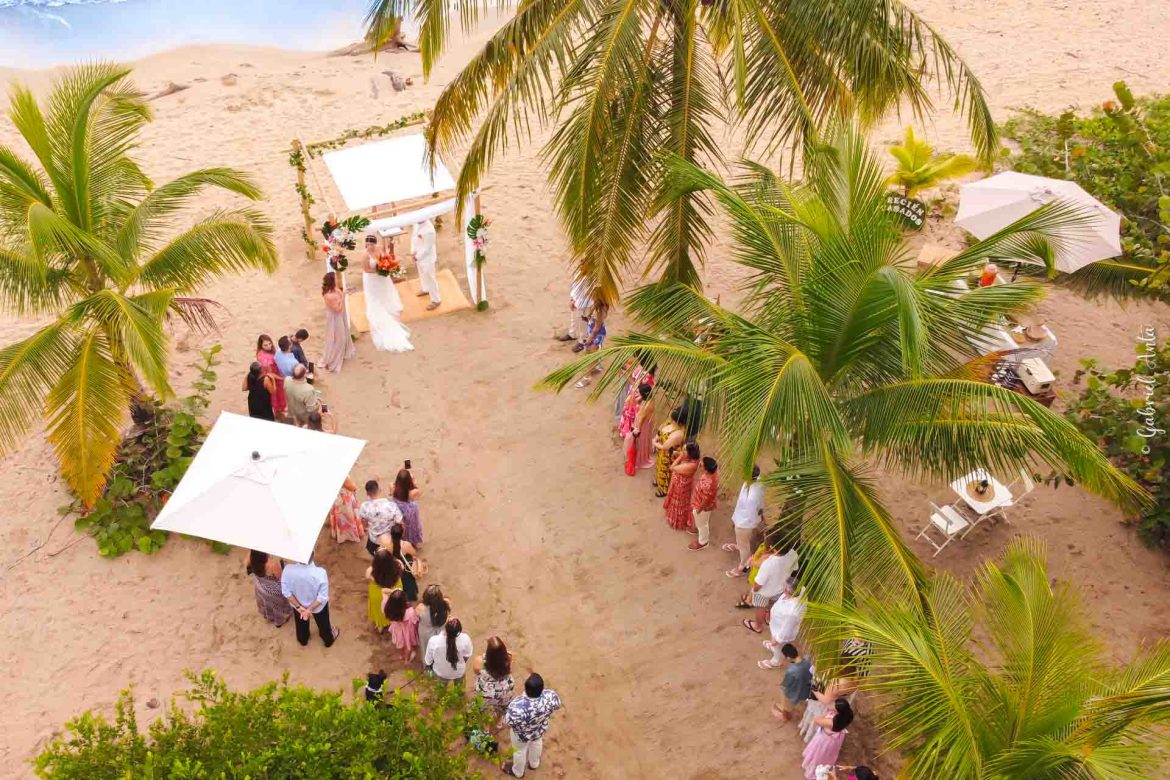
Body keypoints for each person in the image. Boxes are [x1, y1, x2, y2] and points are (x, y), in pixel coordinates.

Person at [501, 673, 562, 778]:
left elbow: (507, 721)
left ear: (526, 688)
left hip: (521, 735)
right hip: (539, 729)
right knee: (537, 742)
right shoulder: (550, 696)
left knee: (520, 751)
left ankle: (518, 772)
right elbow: (557, 705)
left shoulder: (516, 705)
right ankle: (534, 764)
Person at [362, 235, 414, 352]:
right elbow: (366, 269)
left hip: (382, 276)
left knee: (386, 291)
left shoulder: (380, 248)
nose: (369, 247)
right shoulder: (365, 255)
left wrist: (386, 267)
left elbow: (385, 258)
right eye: (368, 245)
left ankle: (388, 304)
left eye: (371, 244)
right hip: (371, 278)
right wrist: (379, 270)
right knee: (374, 297)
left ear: (375, 244)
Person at [742, 537, 798, 633]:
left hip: (764, 592)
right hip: (781, 589)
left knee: (760, 607)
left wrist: (754, 590)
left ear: (773, 547)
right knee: (773, 605)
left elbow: (758, 584)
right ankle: (769, 619)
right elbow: (795, 569)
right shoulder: (793, 554)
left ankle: (758, 626)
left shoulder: (768, 563)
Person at [280, 555, 339, 647]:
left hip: (298, 605)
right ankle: (328, 640)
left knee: (300, 623)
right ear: (313, 554)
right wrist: (309, 609)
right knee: (323, 623)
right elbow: (322, 597)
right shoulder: (320, 573)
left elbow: (286, 592)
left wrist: (299, 607)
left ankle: (303, 639)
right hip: (318, 607)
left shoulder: (287, 570)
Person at [724, 466, 765, 577]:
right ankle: (740, 547)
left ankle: (743, 566)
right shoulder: (759, 481)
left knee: (744, 545)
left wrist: (740, 523)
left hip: (744, 523)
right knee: (742, 542)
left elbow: (751, 515)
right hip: (741, 517)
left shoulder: (751, 496)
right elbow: (760, 504)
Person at [802, 698, 854, 780]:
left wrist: (826, 713)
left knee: (818, 756)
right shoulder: (847, 716)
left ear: (837, 712)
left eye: (834, 705)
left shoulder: (832, 722)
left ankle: (813, 772)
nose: (832, 705)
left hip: (825, 740)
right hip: (834, 740)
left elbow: (817, 720)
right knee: (828, 755)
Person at [760, 587, 807, 668]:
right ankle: (774, 648)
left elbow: (786, 629)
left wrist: (777, 639)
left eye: (786, 588)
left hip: (780, 631)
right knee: (776, 644)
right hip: (777, 625)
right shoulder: (800, 590)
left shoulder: (793, 612)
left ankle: (776, 662)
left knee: (779, 646)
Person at [245, 550, 292, 627]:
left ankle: (269, 615)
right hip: (273, 591)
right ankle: (279, 621)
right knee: (279, 604)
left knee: (268, 602)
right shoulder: (273, 564)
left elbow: (248, 568)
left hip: (260, 585)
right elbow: (280, 578)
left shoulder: (250, 555)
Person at [320, 272, 356, 372]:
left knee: (344, 333)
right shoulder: (328, 296)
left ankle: (343, 351)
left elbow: (340, 294)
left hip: (341, 315)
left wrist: (345, 292)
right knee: (339, 337)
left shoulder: (334, 289)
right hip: (335, 318)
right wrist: (343, 297)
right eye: (335, 279)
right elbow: (338, 309)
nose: (337, 280)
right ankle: (333, 359)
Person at [473, 636, 515, 718]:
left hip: (485, 692)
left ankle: (486, 728)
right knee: (502, 707)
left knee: (484, 710)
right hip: (504, 689)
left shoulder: (479, 660)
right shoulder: (508, 657)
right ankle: (499, 722)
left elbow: (476, 672)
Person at [358, 479, 403, 555]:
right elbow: (400, 522)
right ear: (379, 490)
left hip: (374, 541)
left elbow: (364, 524)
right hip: (390, 539)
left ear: (367, 493)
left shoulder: (364, 507)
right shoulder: (391, 505)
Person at [424, 617, 473, 685]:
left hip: (440, 672)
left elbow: (428, 661)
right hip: (459, 672)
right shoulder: (465, 639)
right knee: (460, 692)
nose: (450, 616)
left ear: (445, 627)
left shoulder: (434, 641)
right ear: (459, 629)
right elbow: (467, 655)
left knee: (441, 693)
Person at [664, 441, 700, 531]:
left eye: (684, 450)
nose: (682, 451)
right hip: (679, 482)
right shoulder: (691, 457)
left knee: (679, 503)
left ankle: (677, 521)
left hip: (681, 486)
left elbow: (672, 468)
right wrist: (680, 454)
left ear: (690, 453)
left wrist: (679, 456)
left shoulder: (692, 465)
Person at [773, 643, 813, 721]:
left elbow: (785, 685)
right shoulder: (807, 660)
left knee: (783, 694)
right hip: (806, 690)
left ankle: (785, 715)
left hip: (794, 694)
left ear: (788, 658)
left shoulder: (791, 671)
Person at [366, 549, 403, 633]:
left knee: (378, 610)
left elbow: (367, 575)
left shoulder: (373, 570)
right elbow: (402, 567)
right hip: (395, 588)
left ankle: (380, 626)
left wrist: (375, 578)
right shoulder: (398, 564)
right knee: (393, 606)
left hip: (378, 593)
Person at [652, 409, 686, 497]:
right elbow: (661, 429)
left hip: (667, 455)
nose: (671, 421)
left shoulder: (678, 434)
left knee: (665, 471)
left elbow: (665, 447)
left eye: (673, 420)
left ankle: (663, 489)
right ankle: (659, 481)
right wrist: (657, 437)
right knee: (659, 466)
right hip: (662, 452)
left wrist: (654, 443)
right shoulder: (670, 423)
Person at [383, 523, 420, 602]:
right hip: (406, 570)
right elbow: (414, 554)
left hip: (394, 568)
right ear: (402, 533)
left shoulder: (387, 545)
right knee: (409, 584)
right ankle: (409, 598)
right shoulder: (406, 545)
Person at [688, 456, 718, 551]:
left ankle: (703, 542)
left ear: (706, 469)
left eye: (702, 463)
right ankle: (698, 527)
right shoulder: (713, 473)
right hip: (701, 503)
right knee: (701, 522)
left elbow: (706, 500)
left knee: (703, 524)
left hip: (702, 506)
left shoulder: (708, 483)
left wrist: (699, 510)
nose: (700, 463)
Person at [411, 219, 441, 310]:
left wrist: (417, 256)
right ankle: (425, 289)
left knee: (430, 277)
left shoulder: (429, 230)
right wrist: (413, 252)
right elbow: (413, 238)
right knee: (422, 274)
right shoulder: (416, 223)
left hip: (427, 258)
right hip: (418, 255)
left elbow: (427, 248)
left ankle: (436, 300)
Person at [383, 587, 420, 663]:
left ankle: (401, 656)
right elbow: (415, 621)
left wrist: (393, 591)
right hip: (407, 632)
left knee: (400, 645)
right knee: (408, 646)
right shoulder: (410, 612)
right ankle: (407, 660)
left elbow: (383, 591)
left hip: (397, 630)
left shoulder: (386, 606)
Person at [255, 335, 287, 417]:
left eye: (270, 344)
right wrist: (280, 378)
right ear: (261, 345)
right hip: (272, 378)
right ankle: (277, 411)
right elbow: (269, 373)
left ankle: (281, 409)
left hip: (277, 373)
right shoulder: (263, 357)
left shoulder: (271, 351)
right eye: (265, 345)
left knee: (280, 393)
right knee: (274, 395)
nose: (269, 346)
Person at [392, 468, 423, 547]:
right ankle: (412, 542)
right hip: (408, 512)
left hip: (397, 509)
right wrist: (413, 482)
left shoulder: (392, 488)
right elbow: (418, 491)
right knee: (412, 527)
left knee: (401, 526)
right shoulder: (412, 493)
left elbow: (393, 486)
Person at [415, 584, 451, 654]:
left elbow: (416, 615)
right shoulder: (446, 605)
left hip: (425, 632)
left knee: (426, 647)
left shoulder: (420, 608)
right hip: (441, 630)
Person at [618, 382, 643, 476]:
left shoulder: (633, 396)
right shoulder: (637, 403)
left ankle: (628, 464)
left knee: (629, 453)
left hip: (630, 416)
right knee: (631, 454)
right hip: (631, 418)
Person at [632, 383, 657, 470]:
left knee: (640, 441)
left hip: (643, 425)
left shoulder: (646, 406)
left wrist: (637, 429)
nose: (638, 394)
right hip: (648, 422)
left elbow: (641, 419)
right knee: (645, 439)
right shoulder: (651, 399)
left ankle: (639, 459)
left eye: (639, 393)